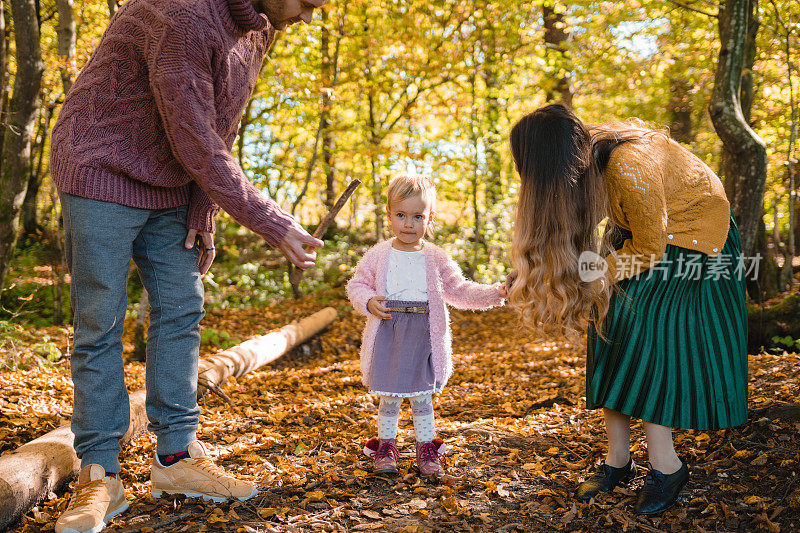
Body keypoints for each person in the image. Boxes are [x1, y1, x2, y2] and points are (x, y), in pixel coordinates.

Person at [50, 0, 327, 532]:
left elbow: (218, 124)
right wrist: (270, 220)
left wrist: (205, 206)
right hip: (101, 167)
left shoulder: (261, 24)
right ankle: (98, 475)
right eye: (308, 3)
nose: (309, 17)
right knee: (99, 322)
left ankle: (176, 459)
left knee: (181, 310)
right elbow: (196, 137)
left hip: (175, 181)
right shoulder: (184, 18)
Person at [506, 104, 748, 515]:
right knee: (609, 328)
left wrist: (591, 277)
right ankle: (618, 459)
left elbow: (651, 249)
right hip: (648, 241)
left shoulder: (626, 164)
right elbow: (582, 237)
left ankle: (667, 465)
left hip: (698, 244)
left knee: (642, 330)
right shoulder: (589, 168)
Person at [346, 173, 506, 477]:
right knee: (390, 394)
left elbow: (460, 290)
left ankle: (425, 446)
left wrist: (495, 292)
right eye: (401, 215)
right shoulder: (379, 254)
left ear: (429, 218)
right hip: (389, 328)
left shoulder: (435, 257)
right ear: (389, 216)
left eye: (417, 216)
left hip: (423, 332)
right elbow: (357, 284)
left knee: (421, 395)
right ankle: (386, 445)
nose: (408, 223)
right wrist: (367, 300)